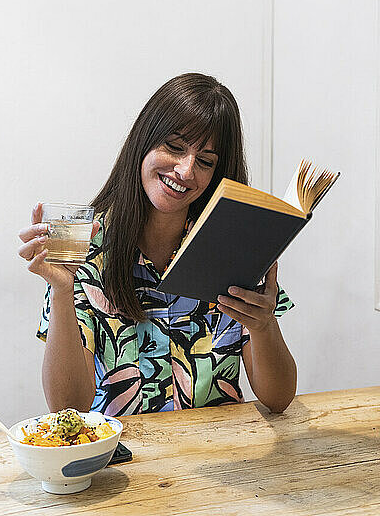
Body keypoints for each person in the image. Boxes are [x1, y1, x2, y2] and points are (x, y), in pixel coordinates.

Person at [18, 73, 297, 417]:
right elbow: (67, 408)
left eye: (206, 161)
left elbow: (279, 398)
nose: (185, 170)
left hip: (222, 462)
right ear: (143, 142)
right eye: (175, 147)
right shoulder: (84, 245)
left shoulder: (233, 249)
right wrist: (62, 290)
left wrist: (263, 325)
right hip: (124, 463)